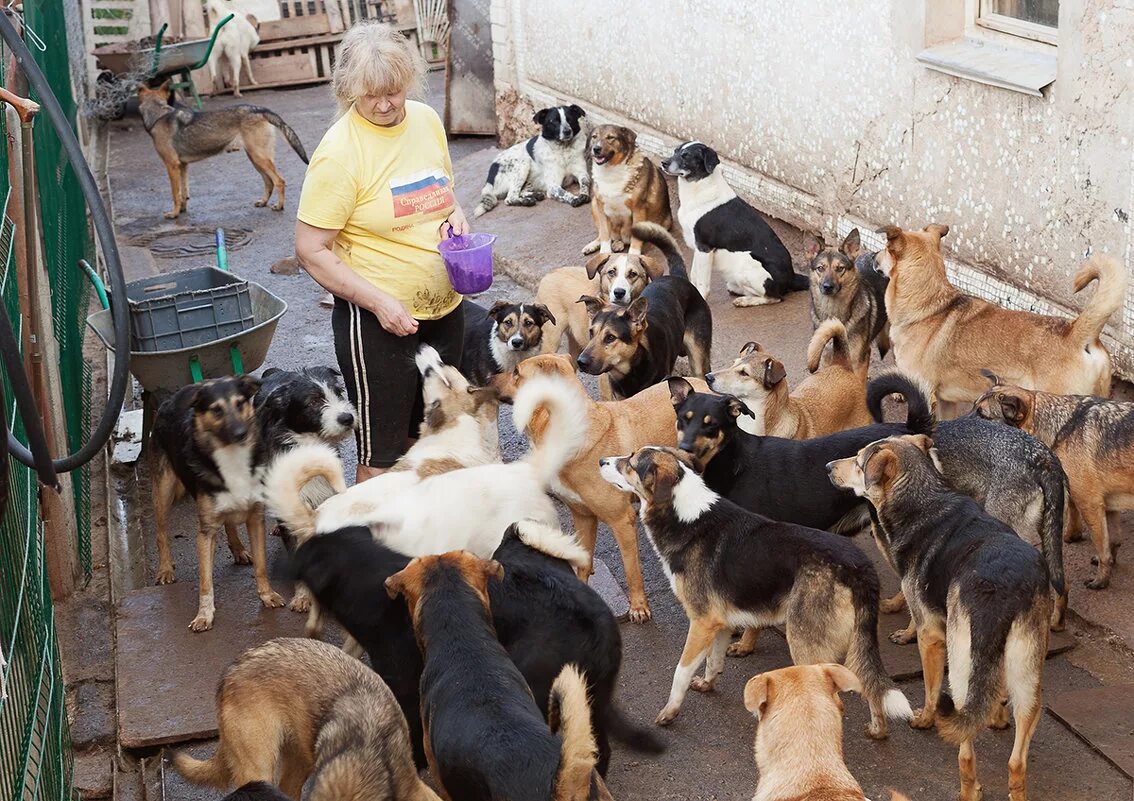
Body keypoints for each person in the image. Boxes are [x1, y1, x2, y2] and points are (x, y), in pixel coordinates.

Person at [295, 22, 470, 482]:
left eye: (394, 91)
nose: (386, 104)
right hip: (377, 321)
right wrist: (379, 303)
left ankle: (420, 542)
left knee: (432, 434)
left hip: (444, 307)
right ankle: (371, 551)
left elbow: (443, 189)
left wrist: (456, 216)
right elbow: (311, 249)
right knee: (383, 454)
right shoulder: (339, 153)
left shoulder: (427, 120)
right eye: (372, 94)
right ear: (350, 90)